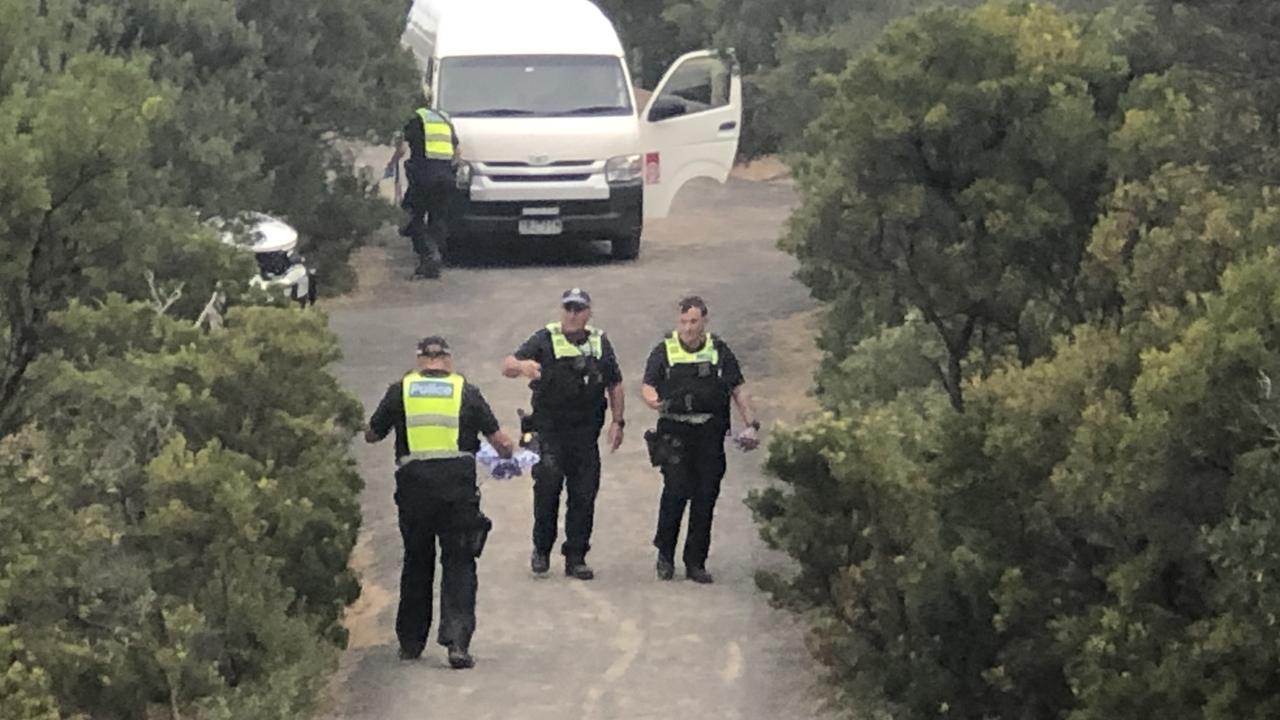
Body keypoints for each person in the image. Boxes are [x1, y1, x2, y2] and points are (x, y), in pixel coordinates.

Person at [365, 336, 514, 668]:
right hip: (457, 491)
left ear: (420, 360)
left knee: (417, 561)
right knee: (459, 563)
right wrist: (508, 450)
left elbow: (372, 434)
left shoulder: (400, 390)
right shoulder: (466, 391)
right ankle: (457, 644)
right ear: (447, 360)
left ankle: (410, 642)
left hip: (414, 489)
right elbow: (500, 441)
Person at [502, 288, 625, 580]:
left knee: (584, 496)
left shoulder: (599, 342)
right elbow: (506, 365)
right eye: (568, 308)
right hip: (549, 431)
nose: (572, 314)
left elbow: (615, 383)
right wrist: (522, 366)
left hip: (585, 434)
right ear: (561, 311)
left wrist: (618, 421)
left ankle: (576, 556)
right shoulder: (544, 339)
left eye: (578, 309)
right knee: (547, 490)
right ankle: (541, 551)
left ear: (588, 313)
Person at [641, 296, 759, 584]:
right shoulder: (665, 350)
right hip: (675, 431)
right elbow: (648, 385)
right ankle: (665, 554)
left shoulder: (718, 350)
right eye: (683, 322)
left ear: (704, 321)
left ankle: (696, 561)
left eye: (693, 322)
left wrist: (751, 424)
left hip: (709, 432)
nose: (688, 328)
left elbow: (738, 388)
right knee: (676, 489)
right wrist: (653, 401)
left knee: (705, 495)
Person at [395, 102, 461, 279]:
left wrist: (392, 163)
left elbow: (402, 148)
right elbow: (457, 154)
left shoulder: (415, 119)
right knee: (438, 219)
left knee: (412, 216)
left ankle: (428, 256)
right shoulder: (444, 118)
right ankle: (436, 260)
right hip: (446, 179)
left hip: (424, 178)